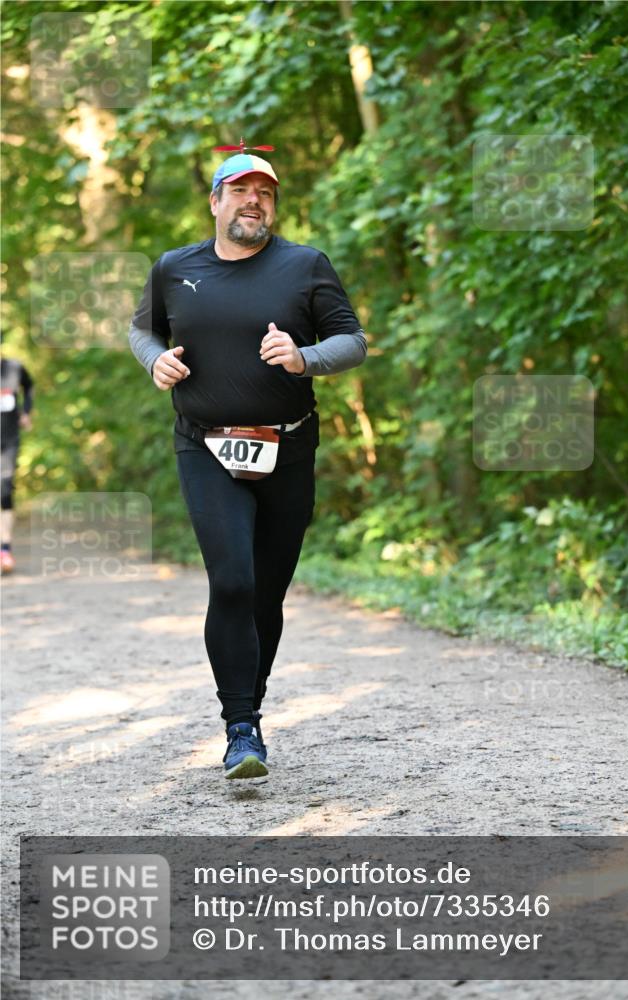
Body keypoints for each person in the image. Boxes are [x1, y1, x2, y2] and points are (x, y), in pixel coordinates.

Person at [128, 148, 367, 779]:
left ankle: (249, 708)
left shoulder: (304, 266)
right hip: (205, 443)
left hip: (289, 446)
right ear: (215, 201)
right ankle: (241, 728)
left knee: (267, 590)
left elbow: (354, 341)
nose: (253, 200)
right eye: (240, 190)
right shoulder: (175, 268)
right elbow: (142, 330)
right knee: (232, 579)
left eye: (264, 191)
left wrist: (304, 357)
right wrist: (155, 360)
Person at [1, 353, 33, 574]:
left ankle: (5, 549)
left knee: (4, 490)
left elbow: (29, 387)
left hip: (9, 440)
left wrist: (27, 412)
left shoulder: (14, 368)